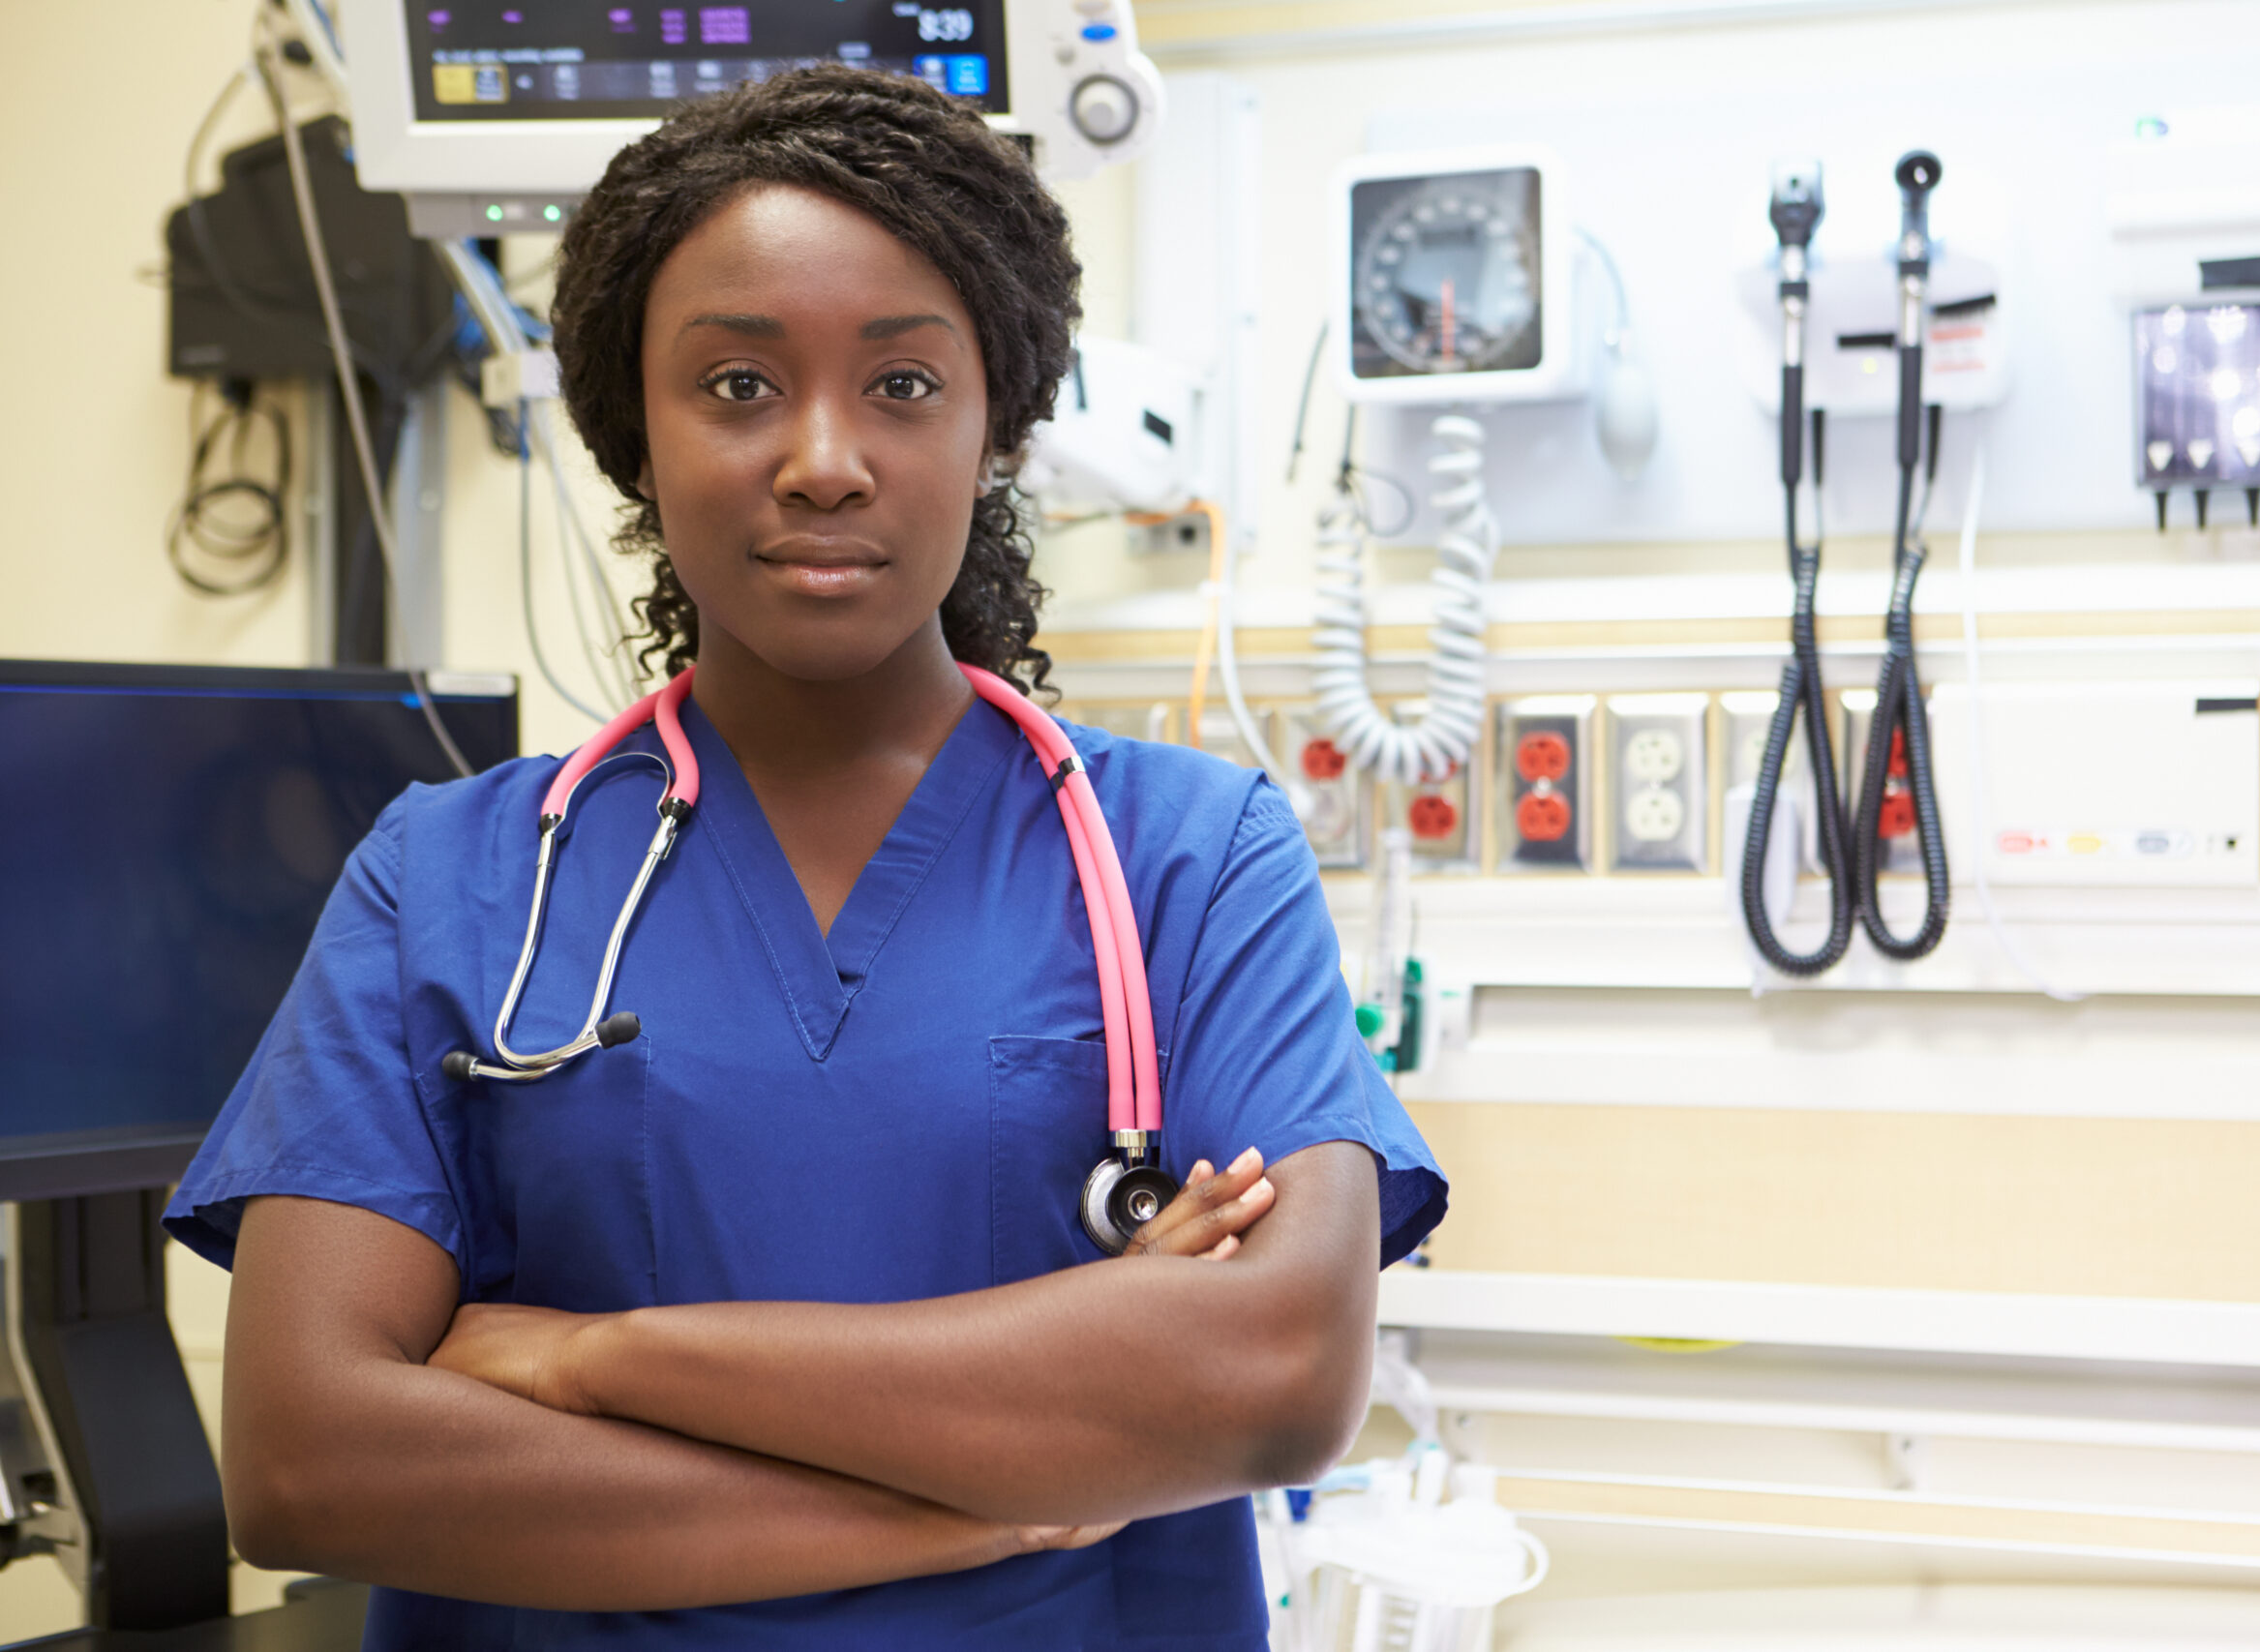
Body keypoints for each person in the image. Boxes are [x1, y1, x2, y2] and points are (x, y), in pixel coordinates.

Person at [164, 64, 1445, 1649]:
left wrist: (586, 1359)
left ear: (999, 426)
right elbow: (313, 1462)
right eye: (739, 386)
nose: (822, 457)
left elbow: (1276, 1380)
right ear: (638, 428)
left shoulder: (1190, 861)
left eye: (904, 384)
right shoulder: (451, 878)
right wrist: (955, 1512)